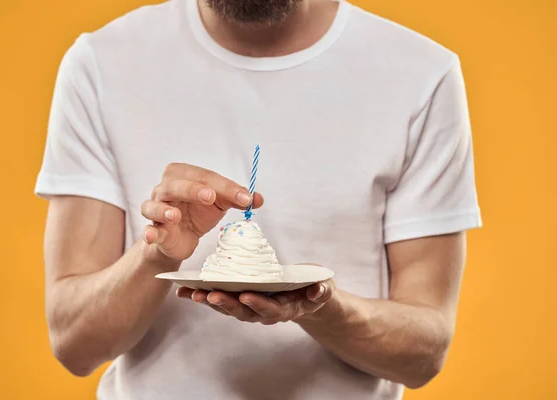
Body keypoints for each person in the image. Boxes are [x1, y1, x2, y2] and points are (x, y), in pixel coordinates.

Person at [35, 0, 482, 398]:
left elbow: (424, 354)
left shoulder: (421, 75)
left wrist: (318, 305)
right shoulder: (103, 64)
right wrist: (153, 253)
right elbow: (74, 344)